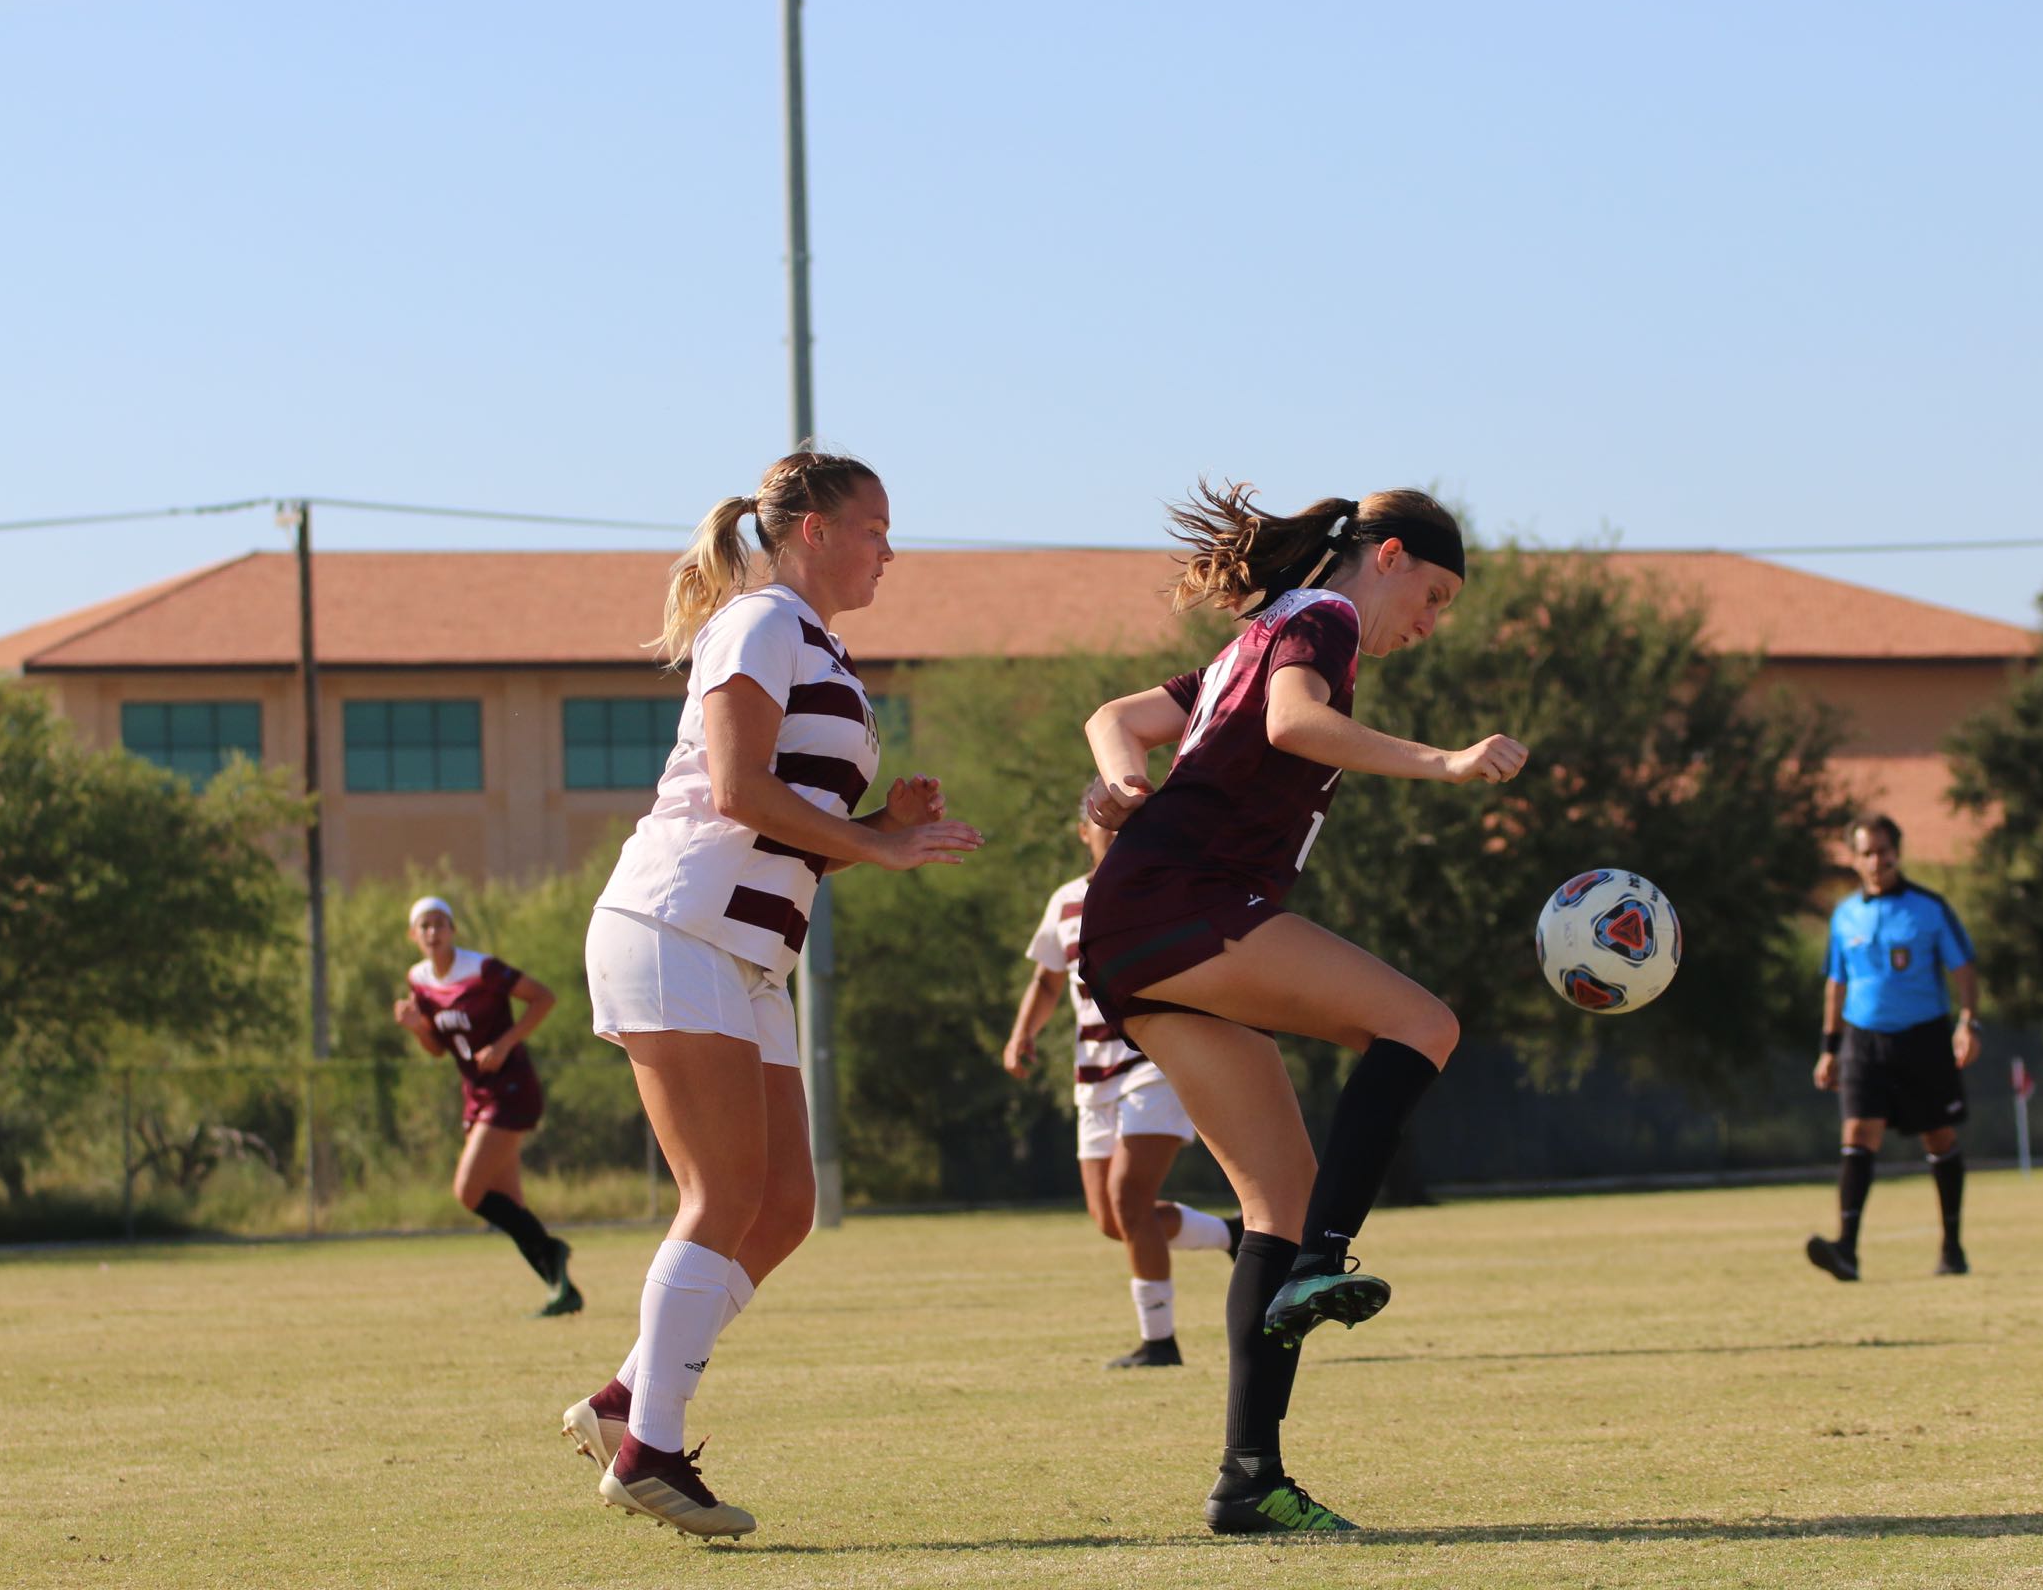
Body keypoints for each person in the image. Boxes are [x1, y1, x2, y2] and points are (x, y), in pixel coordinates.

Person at [1078, 482, 1526, 1534]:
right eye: (1437, 593)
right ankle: (1325, 1259)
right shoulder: (1319, 621)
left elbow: (1117, 719)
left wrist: (1124, 780)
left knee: (1276, 1198)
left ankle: (1249, 1479)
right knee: (1425, 1024)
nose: (1432, 620)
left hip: (1142, 927)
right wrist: (1446, 761)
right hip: (1182, 908)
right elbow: (1293, 724)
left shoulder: (1262, 630)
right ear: (1390, 555)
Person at [556, 452, 983, 1541]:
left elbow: (783, 830)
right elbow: (738, 791)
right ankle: (648, 1450)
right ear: (812, 530)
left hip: (746, 948)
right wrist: (875, 850)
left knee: (783, 1205)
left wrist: (876, 832)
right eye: (876, 526)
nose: (892, 548)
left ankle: (620, 1404)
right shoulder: (759, 623)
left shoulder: (818, 643)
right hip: (675, 925)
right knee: (721, 1192)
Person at [1001, 807, 1238, 1370]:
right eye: (1100, 819)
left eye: (1123, 818)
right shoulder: (1064, 901)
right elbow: (1046, 978)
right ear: (1083, 830)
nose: (1112, 828)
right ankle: (1233, 1233)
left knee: (1129, 1201)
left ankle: (1160, 1344)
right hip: (1093, 1072)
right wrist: (1022, 1034)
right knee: (1113, 1220)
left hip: (1154, 1059)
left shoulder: (1161, 883)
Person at [1805, 815, 1979, 1283]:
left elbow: (1964, 968)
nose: (1877, 860)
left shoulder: (1928, 908)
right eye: (1867, 853)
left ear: (1897, 852)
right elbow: (1835, 984)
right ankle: (1846, 1250)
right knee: (1858, 1134)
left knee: (1938, 1136)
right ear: (1855, 859)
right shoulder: (1844, 915)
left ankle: (1952, 1246)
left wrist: (1968, 1022)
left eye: (1884, 850)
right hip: (1863, 1041)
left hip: (1922, 1036)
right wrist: (1829, 1047)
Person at [391, 895, 575, 1315]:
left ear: (453, 929)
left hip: (511, 1089)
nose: (433, 932)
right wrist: (418, 1029)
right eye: (425, 926)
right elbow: (438, 1050)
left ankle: (554, 1252)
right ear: (413, 935)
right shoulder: (418, 979)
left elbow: (543, 998)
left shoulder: (482, 969)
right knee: (509, 1199)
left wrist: (504, 1043)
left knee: (468, 1191)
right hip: (476, 1095)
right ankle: (559, 1286)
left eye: (440, 923)